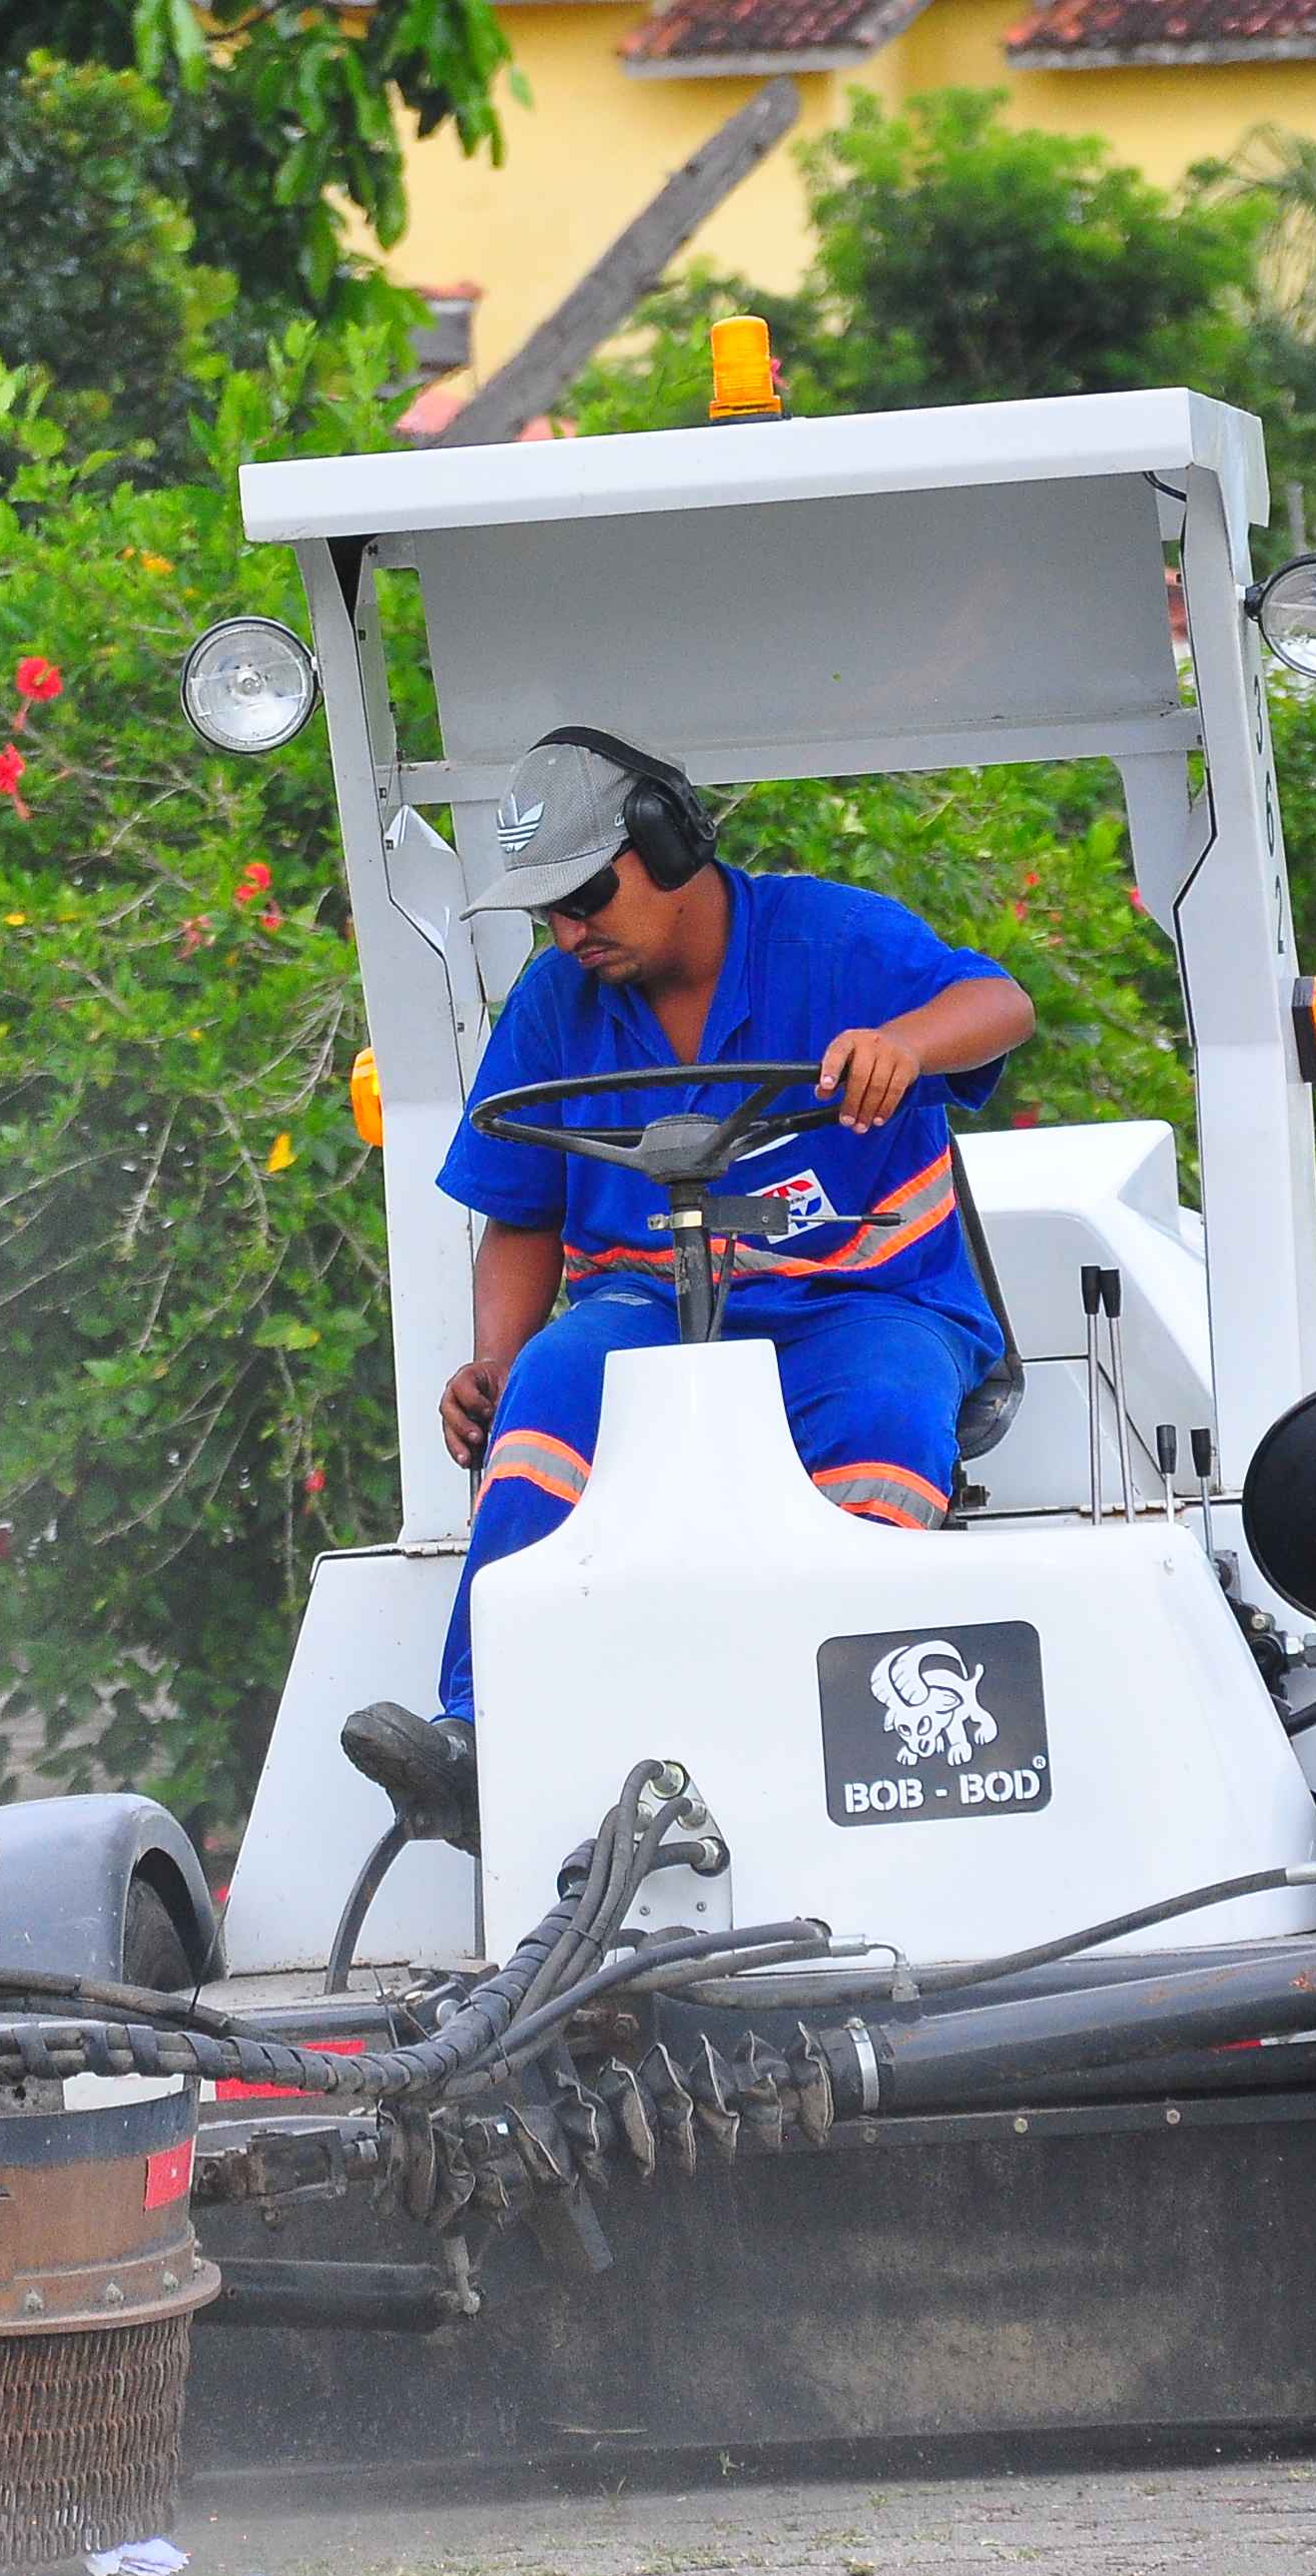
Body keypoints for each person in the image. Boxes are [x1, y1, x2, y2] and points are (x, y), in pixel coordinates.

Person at [340, 728, 1034, 1853]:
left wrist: (904, 1044)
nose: (569, 931)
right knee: (552, 1391)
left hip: (863, 1304)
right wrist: (495, 1358)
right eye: (546, 912)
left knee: (883, 1411)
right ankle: (479, 1740)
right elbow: (519, 1210)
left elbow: (1000, 1005)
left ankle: (854, 1731)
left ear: (669, 845)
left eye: (585, 896)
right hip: (644, 1314)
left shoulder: (834, 935)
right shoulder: (552, 1003)